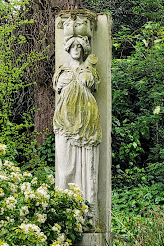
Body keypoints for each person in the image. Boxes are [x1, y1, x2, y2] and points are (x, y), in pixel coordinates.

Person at [53, 35, 101, 224]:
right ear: (67, 48)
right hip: (65, 123)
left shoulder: (90, 70)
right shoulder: (62, 71)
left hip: (87, 123)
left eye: (79, 46)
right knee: (64, 168)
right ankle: (64, 212)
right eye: (72, 46)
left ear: (83, 50)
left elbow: (93, 85)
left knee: (87, 168)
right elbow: (57, 86)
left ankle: (88, 214)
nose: (75, 49)